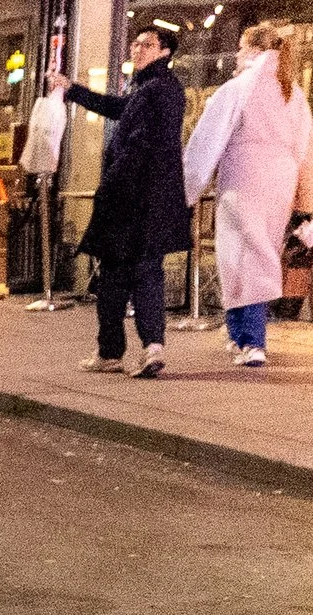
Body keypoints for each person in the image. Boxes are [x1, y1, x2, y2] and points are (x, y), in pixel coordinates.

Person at [51, 24, 188, 378]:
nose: (137, 49)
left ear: (165, 52)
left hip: (132, 199)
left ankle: (114, 352)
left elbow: (138, 146)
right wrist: (73, 90)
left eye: (147, 44)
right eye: (136, 43)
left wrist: (111, 186)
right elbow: (116, 108)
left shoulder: (157, 89)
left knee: (117, 275)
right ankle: (148, 347)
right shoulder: (152, 88)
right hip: (149, 200)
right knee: (144, 272)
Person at [184, 23, 310, 365]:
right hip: (279, 185)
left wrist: (188, 187)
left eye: (241, 48)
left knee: (240, 257)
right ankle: (240, 333)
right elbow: (305, 149)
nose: (237, 55)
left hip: (243, 179)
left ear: (253, 50)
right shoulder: (292, 92)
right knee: (262, 252)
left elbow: (207, 141)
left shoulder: (239, 88)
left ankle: (251, 339)